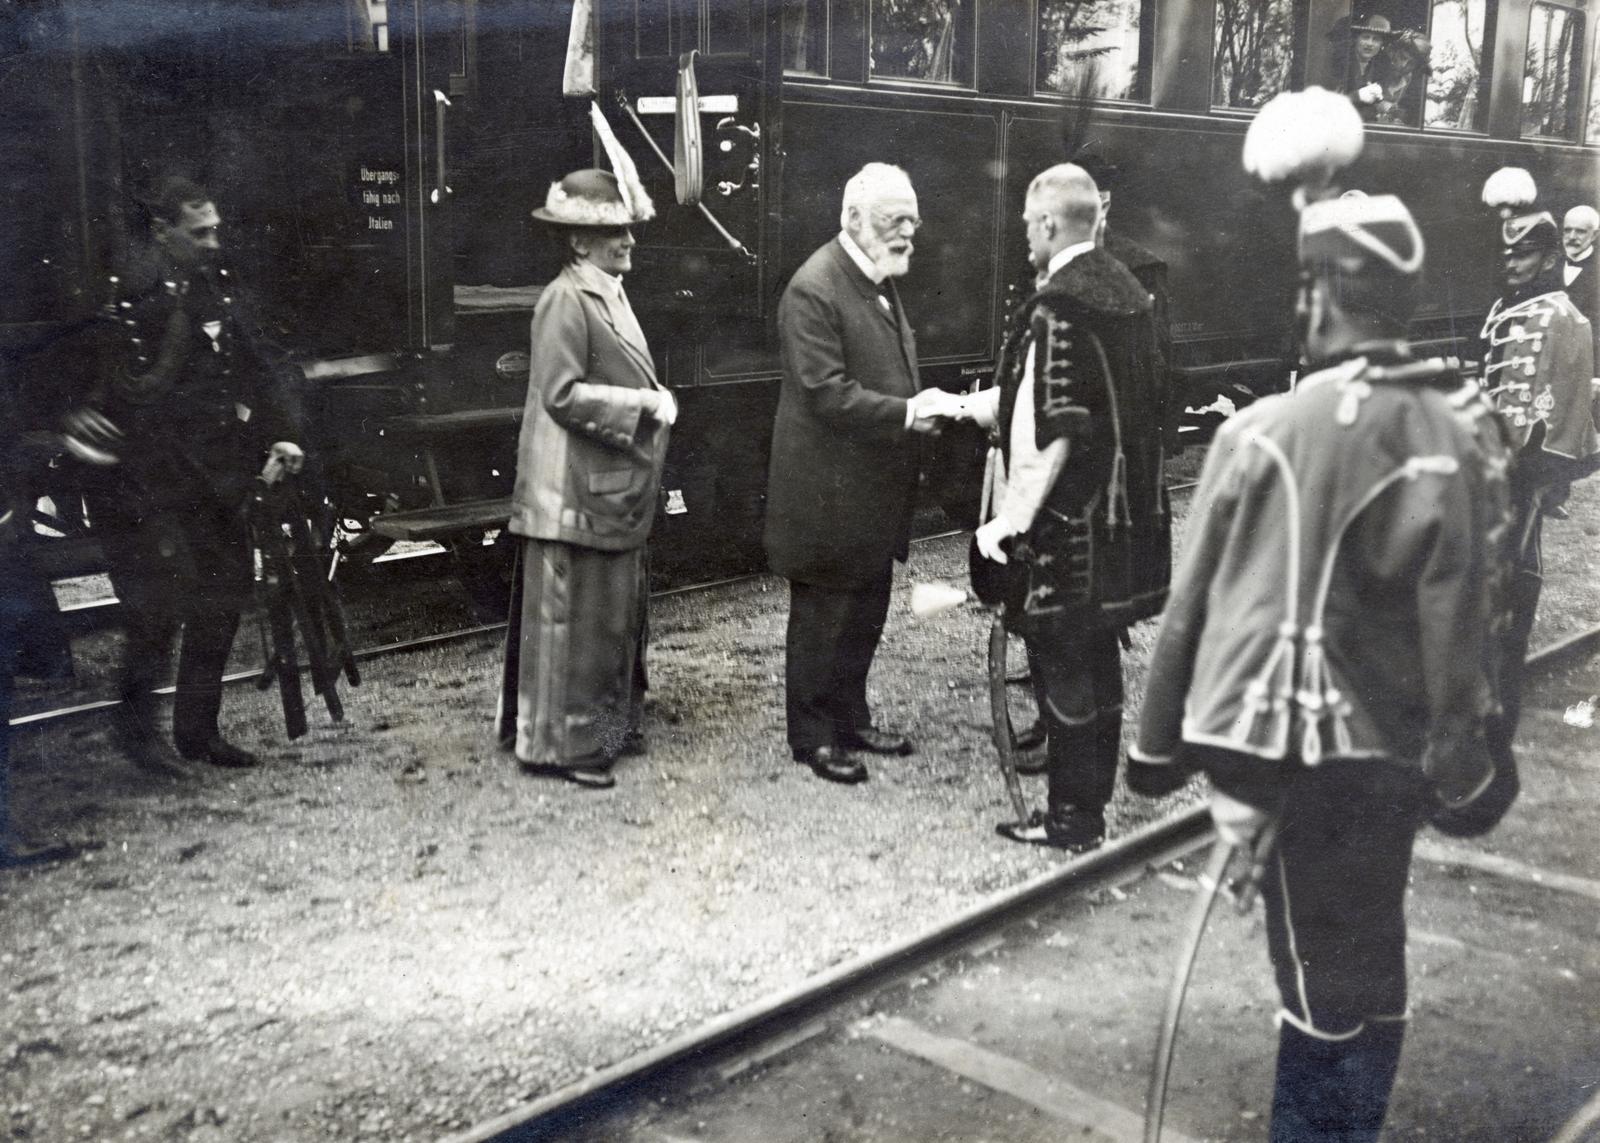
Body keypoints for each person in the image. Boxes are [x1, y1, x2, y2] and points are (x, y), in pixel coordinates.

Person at [1128, 191, 1519, 1141]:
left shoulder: (1259, 432)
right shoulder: (1459, 433)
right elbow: (1467, 623)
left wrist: (1161, 750)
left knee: (1313, 981)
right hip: (1396, 756)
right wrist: (1464, 763)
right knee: (1373, 948)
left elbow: (1191, 611)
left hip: (1281, 760)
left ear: (1317, 295)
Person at [63, 177, 305, 777]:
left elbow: (263, 361)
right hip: (148, 482)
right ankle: (137, 734)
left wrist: (286, 432)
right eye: (200, 233)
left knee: (224, 598)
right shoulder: (127, 295)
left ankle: (199, 732)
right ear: (162, 230)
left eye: (216, 230)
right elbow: (94, 386)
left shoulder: (213, 285)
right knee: (158, 605)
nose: (214, 242)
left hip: (216, 477)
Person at [961, 163, 1169, 852]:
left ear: (1050, 223)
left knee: (1064, 668)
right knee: (1100, 665)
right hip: (1123, 523)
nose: (1025, 236)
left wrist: (1009, 522)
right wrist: (966, 406)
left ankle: (1072, 819)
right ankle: (1090, 808)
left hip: (1070, 530)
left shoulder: (1057, 308)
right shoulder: (1128, 294)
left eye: (1029, 224)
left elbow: (1053, 429)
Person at [764, 163, 959, 786]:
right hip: (828, 495)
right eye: (894, 220)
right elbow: (825, 393)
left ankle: (851, 719)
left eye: (913, 221)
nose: (908, 232)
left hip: (870, 492)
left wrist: (916, 407)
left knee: (864, 611)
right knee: (823, 619)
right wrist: (909, 413)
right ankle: (813, 737)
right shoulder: (814, 287)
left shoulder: (874, 277)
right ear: (852, 218)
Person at [496, 166, 672, 790]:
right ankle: (564, 749)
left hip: (597, 485)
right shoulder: (565, 299)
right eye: (615, 232)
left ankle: (605, 735)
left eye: (628, 229)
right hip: (570, 491)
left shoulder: (605, 291)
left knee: (607, 625)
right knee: (575, 630)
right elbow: (561, 393)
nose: (629, 241)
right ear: (578, 242)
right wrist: (643, 406)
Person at [1477, 183, 1598, 752]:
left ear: (1550, 259)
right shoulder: (1503, 309)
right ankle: (1481, 700)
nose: (1512, 263)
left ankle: (1498, 712)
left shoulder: (1567, 318)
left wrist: (1543, 482)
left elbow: (1568, 411)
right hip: (1492, 467)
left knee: (1514, 579)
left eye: (1523, 254)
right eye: (1508, 254)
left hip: (1527, 472)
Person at [1561, 204, 1598, 357]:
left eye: (1580, 231)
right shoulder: (1548, 265)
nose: (1572, 237)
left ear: (1594, 235)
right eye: (1567, 230)